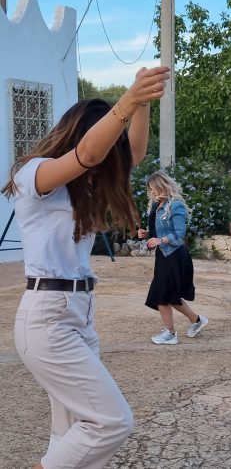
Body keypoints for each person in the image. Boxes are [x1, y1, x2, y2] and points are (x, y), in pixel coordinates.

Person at [1, 66, 170, 469]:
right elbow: (90, 153)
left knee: (71, 430)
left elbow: (135, 152)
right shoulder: (35, 174)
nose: (110, 159)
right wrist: (126, 102)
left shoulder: (85, 187)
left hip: (79, 316)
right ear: (80, 134)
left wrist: (141, 106)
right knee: (111, 421)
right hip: (47, 316)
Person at [137, 171, 208, 345]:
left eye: (153, 188)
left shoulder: (175, 206)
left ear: (161, 186)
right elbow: (157, 232)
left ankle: (170, 333)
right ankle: (196, 320)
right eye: (150, 189)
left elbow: (179, 235)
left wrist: (161, 240)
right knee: (169, 296)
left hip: (175, 256)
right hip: (163, 256)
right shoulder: (156, 206)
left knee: (160, 294)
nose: (151, 192)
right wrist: (146, 234)